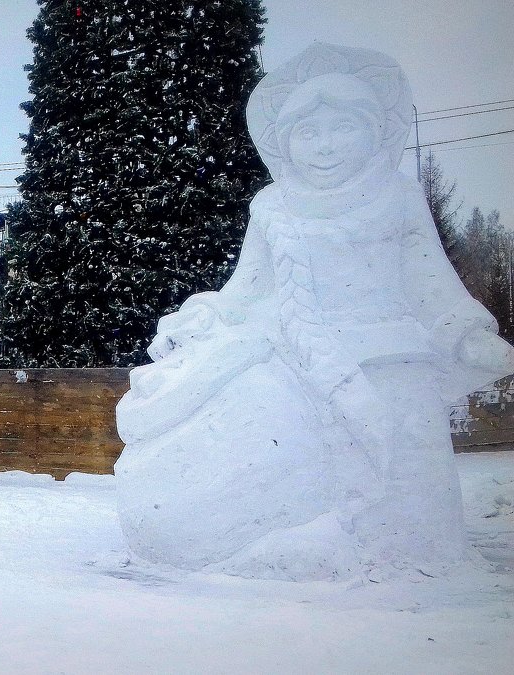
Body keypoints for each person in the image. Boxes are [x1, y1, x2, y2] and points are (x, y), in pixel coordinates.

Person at [114, 43, 514, 579]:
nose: (324, 146)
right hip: (307, 366)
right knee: (312, 477)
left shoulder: (398, 195)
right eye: (307, 132)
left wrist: (467, 335)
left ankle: (419, 560)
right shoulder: (271, 206)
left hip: (396, 364)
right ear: (285, 143)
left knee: (412, 492)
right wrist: (197, 320)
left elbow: (432, 285)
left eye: (341, 128)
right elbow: (245, 291)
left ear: (373, 132)